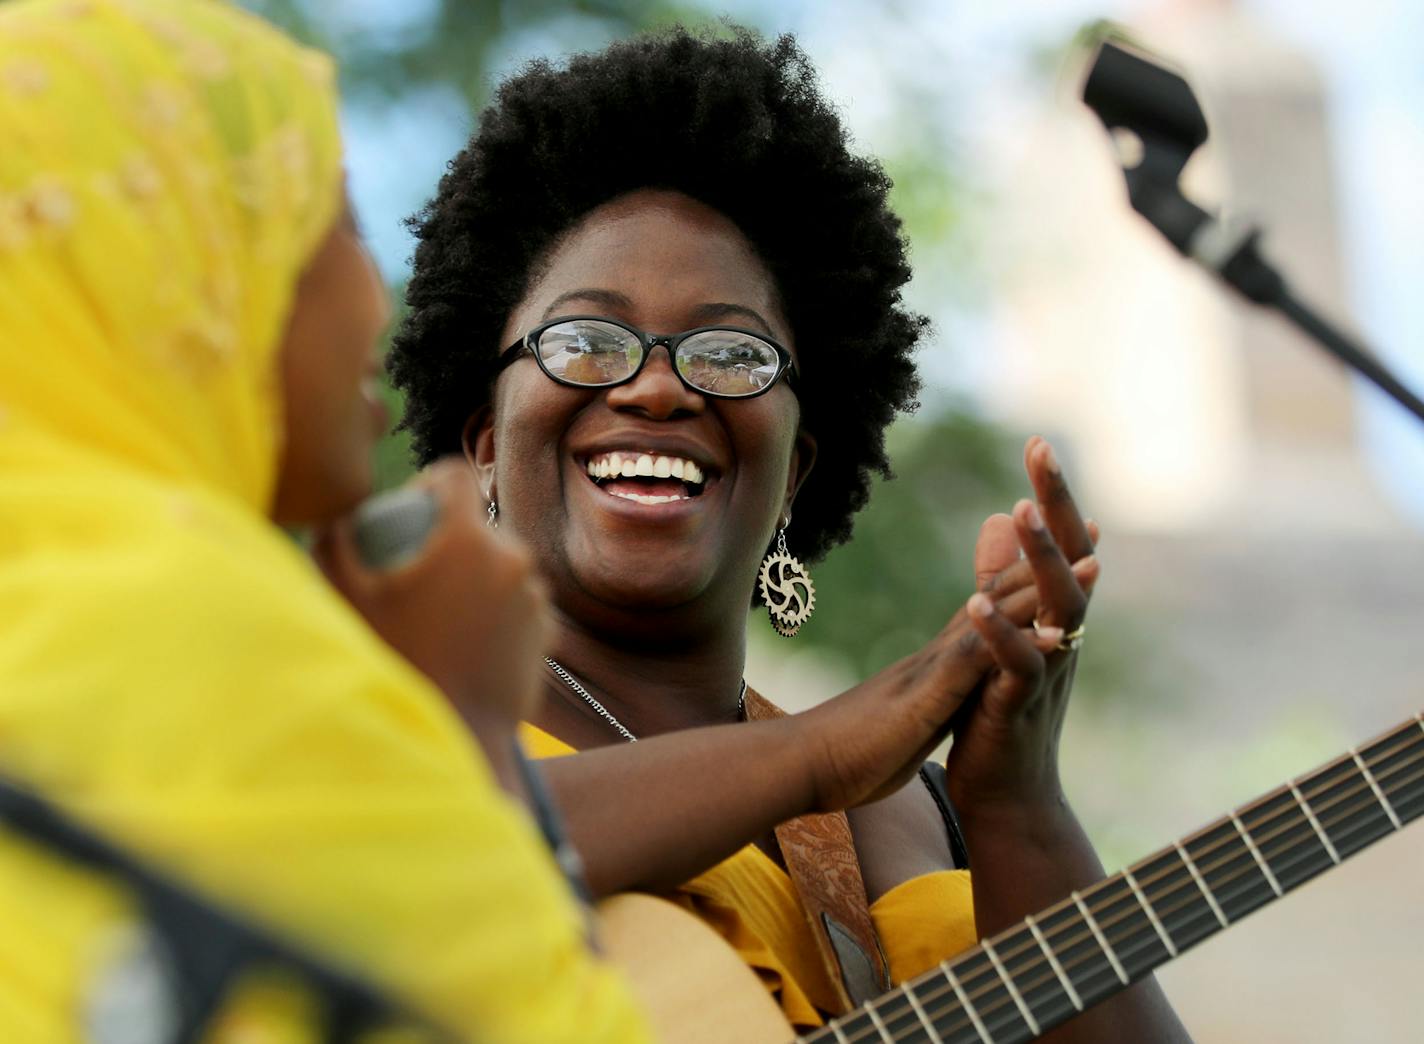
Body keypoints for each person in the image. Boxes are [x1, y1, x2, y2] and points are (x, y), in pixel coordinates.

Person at [389, 26, 1192, 1039]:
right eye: (585, 340)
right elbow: (388, 863)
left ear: (794, 470)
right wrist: (826, 748)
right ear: (484, 450)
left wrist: (1017, 801)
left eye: (728, 354)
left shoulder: (903, 814)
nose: (653, 386)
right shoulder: (384, 716)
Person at [0, 1, 650, 1039]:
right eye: (336, 225)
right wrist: (467, 730)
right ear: (175, 270)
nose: (380, 299)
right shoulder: (190, 630)